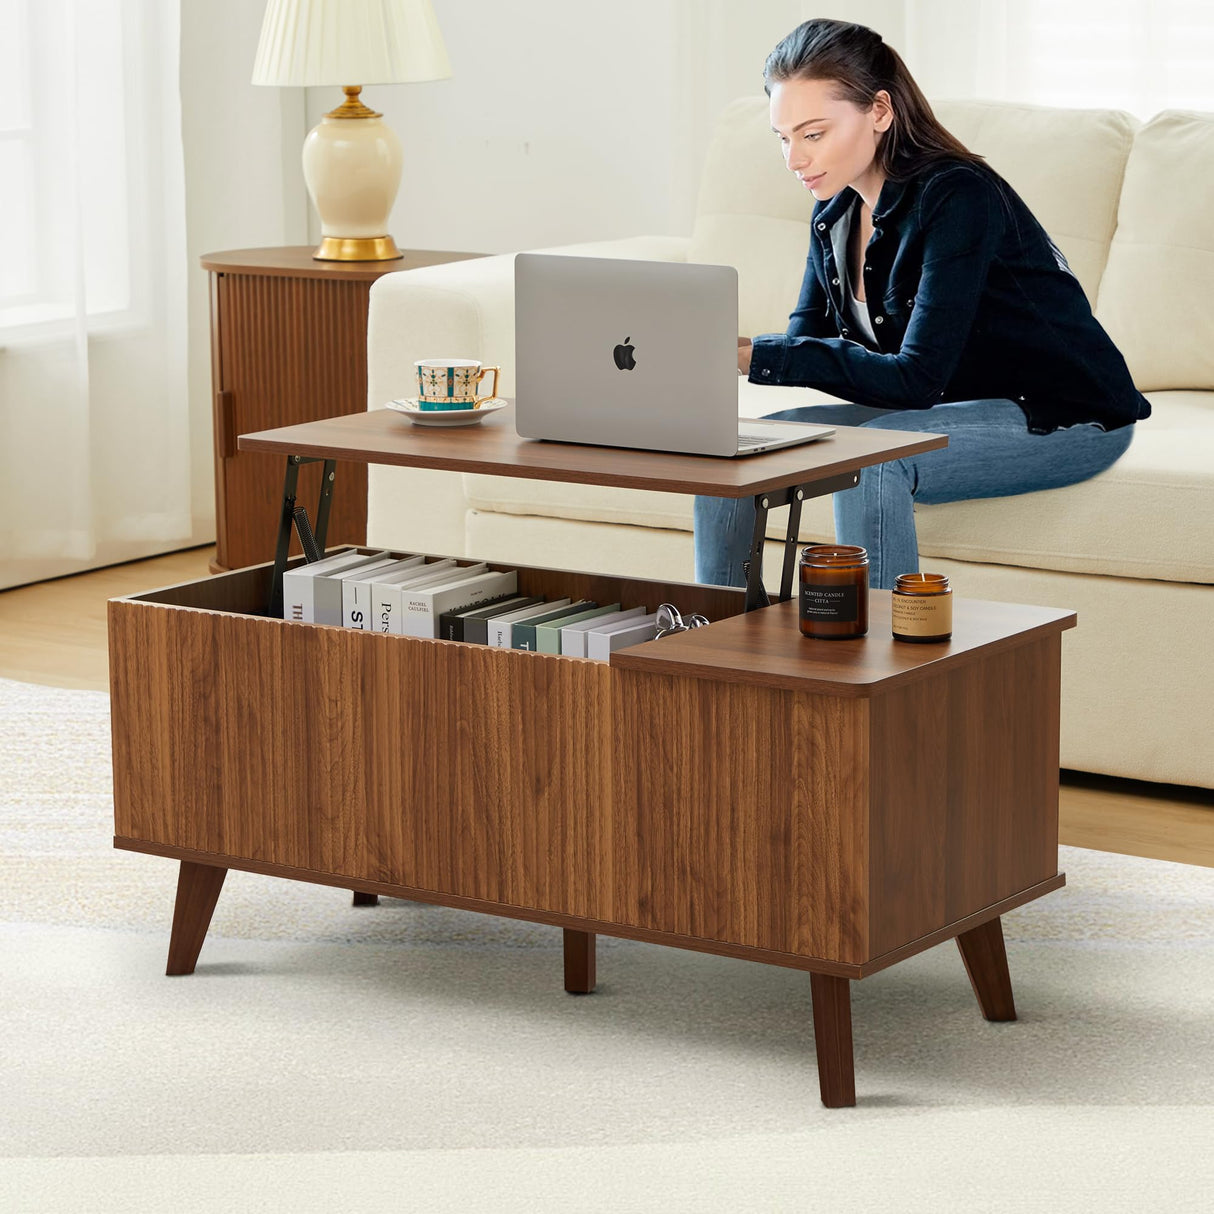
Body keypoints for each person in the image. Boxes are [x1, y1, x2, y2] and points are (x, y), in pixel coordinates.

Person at [694, 19, 1151, 591]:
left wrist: (754, 355)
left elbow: (916, 379)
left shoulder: (958, 195)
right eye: (783, 138)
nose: (793, 159)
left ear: (880, 111)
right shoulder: (832, 214)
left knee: (873, 462)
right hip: (948, 405)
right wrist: (716, 350)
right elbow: (807, 341)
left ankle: (879, 669)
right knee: (738, 450)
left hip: (1066, 413)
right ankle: (716, 642)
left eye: (813, 134)